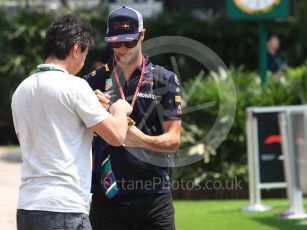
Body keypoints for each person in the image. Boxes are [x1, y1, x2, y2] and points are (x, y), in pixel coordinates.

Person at [11, 14, 133, 230]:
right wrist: (120, 109)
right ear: (76, 48)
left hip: (27, 207)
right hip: (64, 208)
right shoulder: (75, 86)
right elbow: (116, 136)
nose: (83, 61)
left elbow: (37, 141)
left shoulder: (22, 90)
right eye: (85, 54)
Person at [84, 6, 182, 230]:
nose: (122, 48)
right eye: (116, 43)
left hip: (154, 195)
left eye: (129, 42)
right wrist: (91, 111)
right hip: (107, 194)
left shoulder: (163, 79)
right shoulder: (93, 81)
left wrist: (138, 138)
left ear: (142, 35)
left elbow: (174, 140)